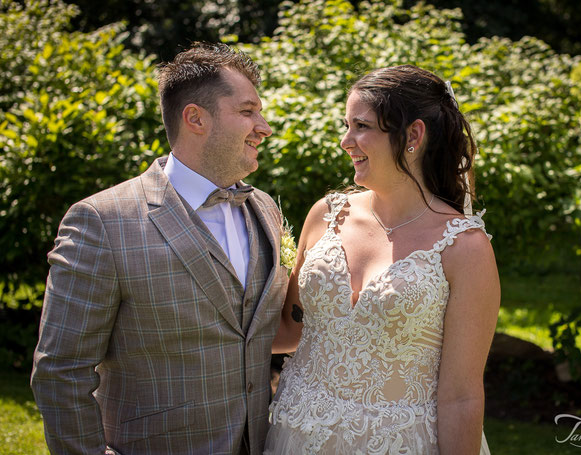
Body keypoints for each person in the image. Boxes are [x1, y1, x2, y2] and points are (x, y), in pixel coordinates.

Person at [31, 42, 289, 454]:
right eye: (247, 111)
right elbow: (61, 370)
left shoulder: (264, 209)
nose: (264, 126)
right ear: (195, 118)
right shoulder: (102, 221)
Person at [267, 65, 500, 454]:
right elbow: (290, 331)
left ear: (413, 135)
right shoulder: (325, 215)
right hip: (296, 434)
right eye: (346, 125)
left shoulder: (465, 248)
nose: (346, 141)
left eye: (361, 126)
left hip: (400, 443)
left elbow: (461, 395)